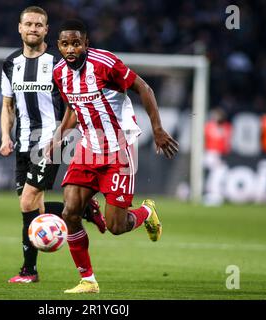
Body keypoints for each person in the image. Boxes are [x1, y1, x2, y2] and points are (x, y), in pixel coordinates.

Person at [48, 19, 179, 293]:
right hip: (88, 147)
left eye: (76, 43)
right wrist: (59, 135)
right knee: (69, 211)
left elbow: (144, 88)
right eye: (65, 44)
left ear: (86, 44)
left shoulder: (105, 63)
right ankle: (88, 280)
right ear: (58, 46)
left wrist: (157, 129)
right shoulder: (59, 73)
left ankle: (146, 211)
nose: (70, 49)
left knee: (116, 226)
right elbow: (73, 108)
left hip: (119, 147)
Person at [0, 7, 106, 284]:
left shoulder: (59, 65)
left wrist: (62, 135)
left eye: (39, 25)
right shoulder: (10, 63)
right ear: (19, 28)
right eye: (29, 24)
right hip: (23, 141)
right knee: (35, 208)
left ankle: (29, 271)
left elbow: (72, 103)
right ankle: (83, 209)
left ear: (47, 30)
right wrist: (5, 136)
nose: (33, 28)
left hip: (52, 141)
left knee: (27, 201)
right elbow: (7, 105)